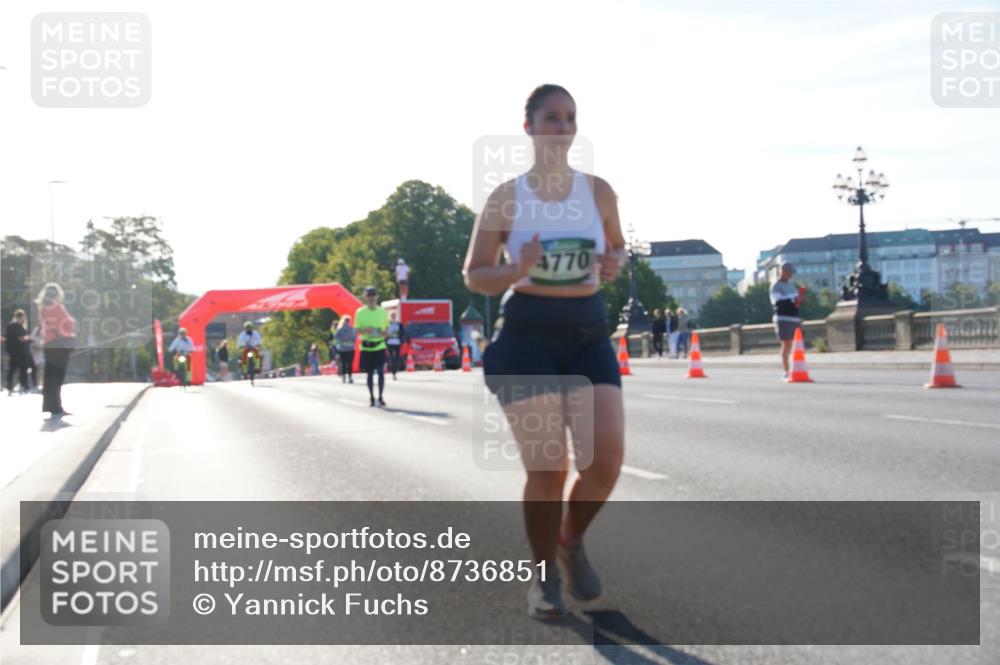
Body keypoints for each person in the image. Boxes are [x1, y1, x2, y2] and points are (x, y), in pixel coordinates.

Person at [463, 84, 627, 619]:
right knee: (549, 466)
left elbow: (617, 246)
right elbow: (475, 275)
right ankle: (542, 580)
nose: (562, 127)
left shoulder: (599, 191)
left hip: (587, 333)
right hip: (527, 336)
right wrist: (516, 266)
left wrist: (613, 263)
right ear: (529, 126)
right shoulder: (506, 198)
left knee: (604, 461)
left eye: (570, 118)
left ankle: (570, 539)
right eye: (551, 118)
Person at [36, 283, 76, 417]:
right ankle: (57, 407)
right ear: (57, 294)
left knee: (49, 376)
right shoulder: (58, 308)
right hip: (59, 345)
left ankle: (48, 405)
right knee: (58, 377)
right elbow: (68, 324)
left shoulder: (42, 309)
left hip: (48, 344)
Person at [770, 262, 805, 380]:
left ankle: (794, 368)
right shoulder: (776, 285)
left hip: (794, 317)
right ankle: (786, 371)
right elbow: (778, 302)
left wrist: (800, 299)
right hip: (783, 318)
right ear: (783, 271)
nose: (790, 275)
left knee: (795, 345)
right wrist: (794, 299)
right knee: (786, 344)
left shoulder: (791, 285)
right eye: (789, 273)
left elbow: (795, 303)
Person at [355, 287, 388, 406]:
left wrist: (384, 333)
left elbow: (386, 328)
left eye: (373, 295)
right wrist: (365, 330)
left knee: (380, 372)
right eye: (369, 295)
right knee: (369, 374)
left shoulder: (382, 312)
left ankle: (380, 397)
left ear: (377, 297)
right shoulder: (360, 312)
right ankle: (371, 397)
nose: (371, 298)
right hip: (367, 347)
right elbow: (357, 330)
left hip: (380, 346)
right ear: (365, 297)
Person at [5, 309, 31, 395]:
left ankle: (9, 387)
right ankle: (23, 386)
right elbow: (21, 338)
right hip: (20, 350)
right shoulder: (18, 326)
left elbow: (6, 337)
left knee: (11, 370)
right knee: (23, 369)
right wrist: (29, 339)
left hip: (11, 350)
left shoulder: (9, 325)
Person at [332, 316, 356, 384]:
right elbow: (354, 337)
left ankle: (344, 377)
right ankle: (349, 377)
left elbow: (336, 337)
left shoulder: (339, 329)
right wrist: (350, 340)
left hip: (342, 349)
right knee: (349, 364)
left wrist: (341, 340)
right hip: (350, 348)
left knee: (343, 363)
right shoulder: (352, 329)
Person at [385, 311, 406, 379]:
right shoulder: (387, 324)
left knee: (397, 357)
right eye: (392, 315)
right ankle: (393, 371)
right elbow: (384, 333)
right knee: (391, 357)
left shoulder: (399, 324)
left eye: (394, 315)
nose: (393, 317)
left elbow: (403, 333)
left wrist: (402, 340)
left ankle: (396, 370)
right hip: (390, 342)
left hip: (397, 342)